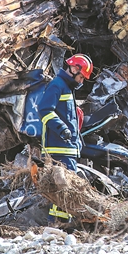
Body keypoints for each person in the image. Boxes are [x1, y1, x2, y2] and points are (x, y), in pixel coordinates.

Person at [39, 53, 93, 222]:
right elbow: (44, 110)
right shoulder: (57, 85)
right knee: (64, 188)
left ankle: (60, 223)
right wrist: (62, 129)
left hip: (67, 148)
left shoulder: (66, 88)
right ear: (74, 69)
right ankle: (59, 223)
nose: (81, 82)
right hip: (59, 148)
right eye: (81, 77)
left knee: (64, 189)